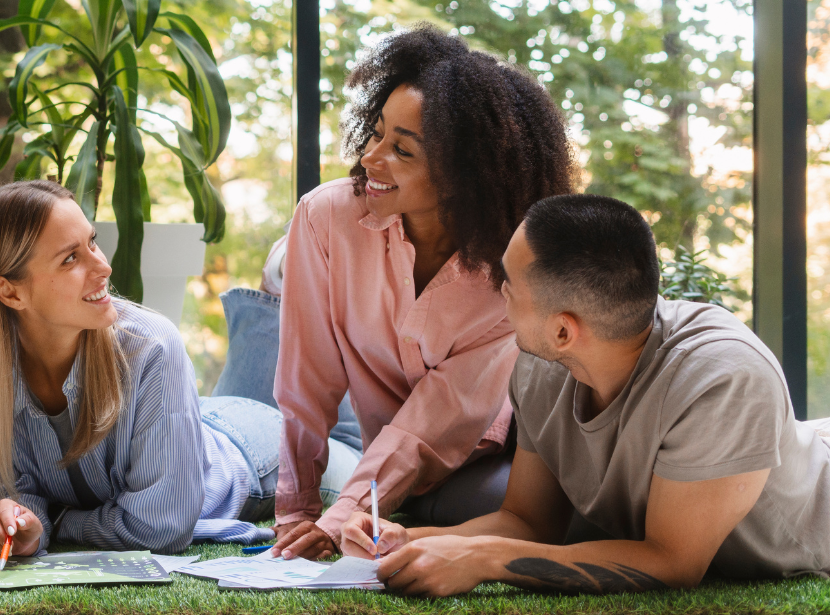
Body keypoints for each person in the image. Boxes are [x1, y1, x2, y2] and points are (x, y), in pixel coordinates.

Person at [342, 193, 830, 594]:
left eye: (508, 282)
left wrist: (486, 559)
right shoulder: (541, 365)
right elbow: (528, 521)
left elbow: (673, 562)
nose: (498, 288)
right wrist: (411, 539)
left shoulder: (722, 379)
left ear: (562, 331)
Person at [266, 24, 576, 560]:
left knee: (554, 519)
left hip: (478, 452)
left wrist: (345, 515)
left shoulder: (513, 270)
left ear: (464, 175)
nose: (370, 157)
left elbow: (430, 422)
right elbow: (305, 381)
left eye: (401, 151)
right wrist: (298, 510)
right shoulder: (326, 216)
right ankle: (274, 273)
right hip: (372, 432)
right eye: (377, 131)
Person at [0, 180, 333, 557]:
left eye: (92, 242)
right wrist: (20, 523)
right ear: (10, 291)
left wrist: (56, 521)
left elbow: (159, 527)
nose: (104, 267)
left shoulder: (151, 345)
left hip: (249, 450)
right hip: (186, 422)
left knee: (351, 434)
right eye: (71, 258)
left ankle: (303, 271)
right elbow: (3, 495)